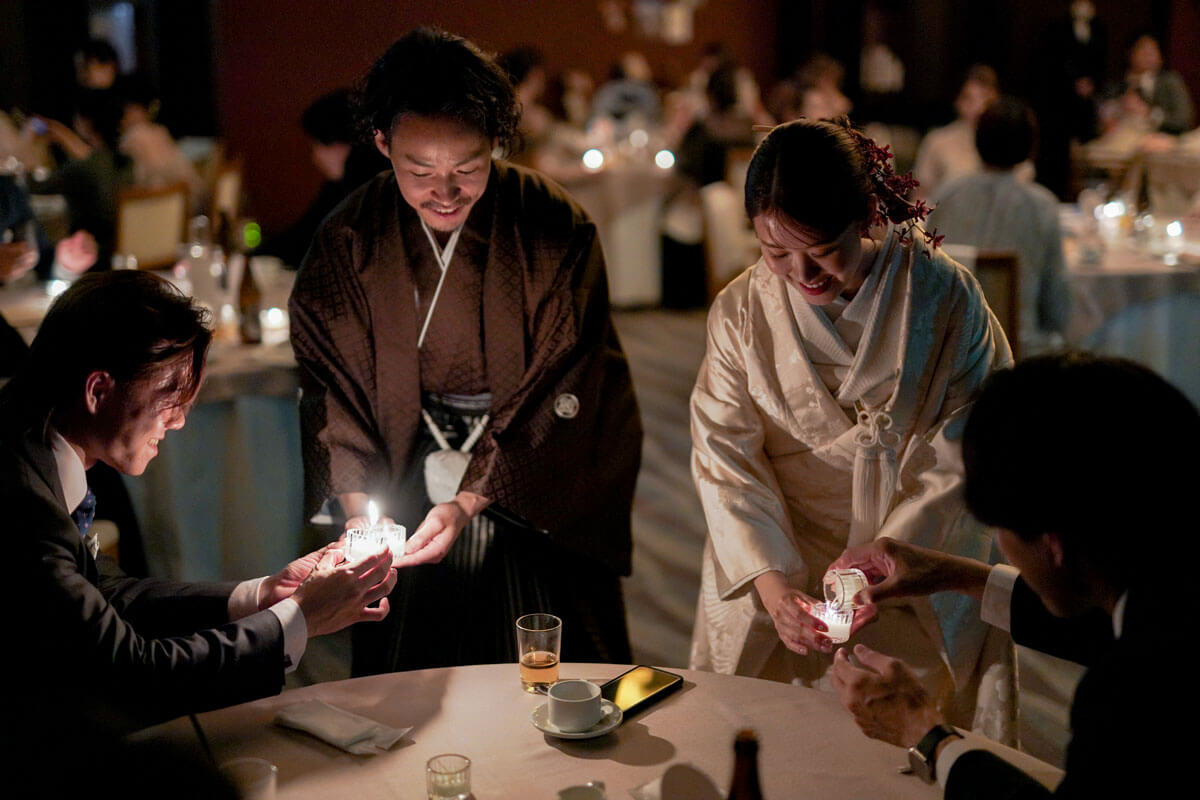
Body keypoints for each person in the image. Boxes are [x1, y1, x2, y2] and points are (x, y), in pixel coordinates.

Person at [289, 28, 641, 674]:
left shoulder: (553, 225)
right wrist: (363, 515)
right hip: (401, 457)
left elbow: (570, 374)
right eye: (419, 170)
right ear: (382, 144)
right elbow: (331, 387)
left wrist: (473, 497)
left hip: (529, 472)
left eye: (468, 168)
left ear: (496, 146)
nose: (444, 192)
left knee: (544, 644)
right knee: (410, 654)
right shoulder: (349, 239)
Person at [688, 118, 1015, 740]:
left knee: (915, 737)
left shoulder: (945, 298)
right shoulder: (741, 310)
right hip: (781, 546)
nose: (801, 273)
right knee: (772, 741)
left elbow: (967, 448)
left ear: (866, 215)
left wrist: (889, 561)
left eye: (821, 250)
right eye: (775, 251)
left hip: (913, 550)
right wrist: (774, 589)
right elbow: (724, 454)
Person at [0, 270, 398, 732]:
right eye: (171, 397)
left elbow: (107, 597)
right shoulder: (21, 501)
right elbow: (132, 675)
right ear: (98, 390)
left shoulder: (31, 444)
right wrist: (300, 618)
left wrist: (263, 595)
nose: (180, 422)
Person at [829, 353, 1199, 797]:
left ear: (1053, 543)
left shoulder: (1126, 697)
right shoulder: (1168, 593)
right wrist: (953, 574)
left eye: (999, 528)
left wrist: (925, 733)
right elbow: (1108, 627)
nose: (1002, 543)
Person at [928, 98, 1069, 356]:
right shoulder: (1042, 206)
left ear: (977, 140)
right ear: (1030, 148)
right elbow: (1057, 308)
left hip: (948, 348)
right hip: (1020, 353)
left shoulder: (946, 196)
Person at [257, 89, 387, 268]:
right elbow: (302, 234)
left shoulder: (371, 190)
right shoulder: (337, 188)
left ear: (342, 141)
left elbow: (308, 245)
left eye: (319, 144)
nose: (315, 157)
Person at [913, 66, 999, 199]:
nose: (979, 107)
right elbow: (920, 197)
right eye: (969, 98)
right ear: (958, 100)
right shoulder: (938, 140)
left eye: (985, 99)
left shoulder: (1005, 145)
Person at [1110, 33, 1194, 136]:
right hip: (1124, 138)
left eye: (1153, 51)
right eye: (1143, 50)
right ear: (1130, 53)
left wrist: (1148, 112)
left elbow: (1183, 120)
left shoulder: (1170, 81)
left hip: (1163, 140)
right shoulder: (1117, 86)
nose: (1148, 55)